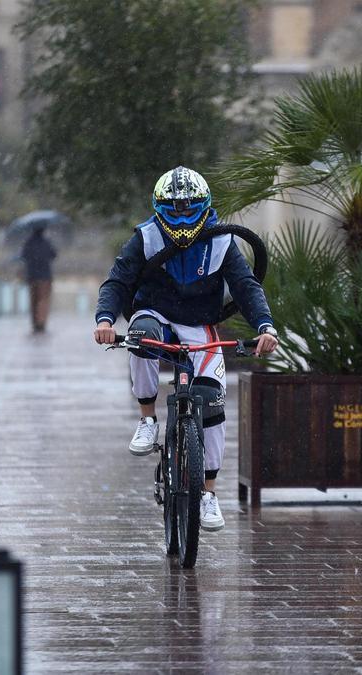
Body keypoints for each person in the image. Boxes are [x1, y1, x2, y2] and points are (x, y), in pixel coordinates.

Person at [93, 166, 278, 532]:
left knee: (212, 402)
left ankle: (208, 492)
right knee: (140, 335)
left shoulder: (223, 242)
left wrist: (265, 326)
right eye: (172, 209)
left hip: (200, 324)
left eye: (188, 208)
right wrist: (104, 319)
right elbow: (118, 281)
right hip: (156, 314)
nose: (180, 216)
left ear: (204, 206)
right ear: (160, 207)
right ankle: (147, 417)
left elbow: (245, 286)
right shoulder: (145, 238)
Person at [21, 224, 58, 332]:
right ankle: (41, 322)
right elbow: (54, 255)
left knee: (33, 300)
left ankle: (35, 322)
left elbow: (23, 256)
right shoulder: (47, 242)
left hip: (32, 276)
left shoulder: (28, 243)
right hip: (45, 276)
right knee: (43, 300)